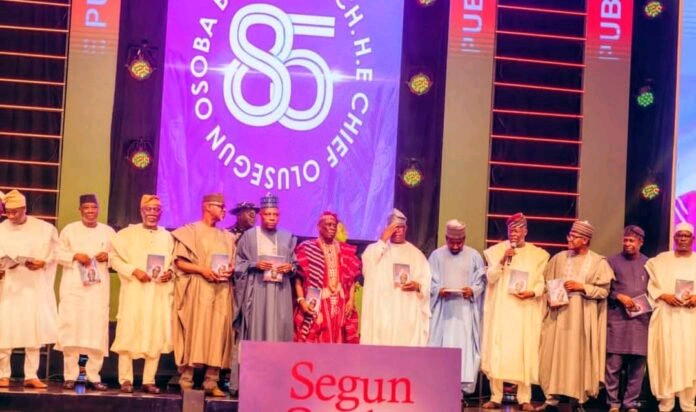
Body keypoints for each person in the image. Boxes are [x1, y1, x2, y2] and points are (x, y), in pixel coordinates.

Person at [538, 220, 613, 411]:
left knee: (578, 356)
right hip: (558, 315)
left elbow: (604, 291)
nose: (569, 240)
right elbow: (547, 283)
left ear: (585, 240)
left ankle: (578, 399)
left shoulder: (598, 262)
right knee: (553, 355)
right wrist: (550, 297)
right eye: (569, 236)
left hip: (582, 317)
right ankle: (551, 399)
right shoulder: (559, 258)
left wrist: (582, 287)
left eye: (574, 237)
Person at [480, 213, 549, 411]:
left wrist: (532, 292)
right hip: (502, 309)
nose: (514, 233)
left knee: (523, 351)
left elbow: (541, 283)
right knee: (498, 350)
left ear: (525, 231)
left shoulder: (538, 255)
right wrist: (503, 260)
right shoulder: (496, 251)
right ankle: (496, 396)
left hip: (524, 310)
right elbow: (491, 278)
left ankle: (524, 398)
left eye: (518, 229)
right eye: (511, 230)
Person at [172, 193, 236, 396]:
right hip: (198, 289)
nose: (224, 210)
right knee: (195, 331)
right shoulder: (190, 232)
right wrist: (202, 270)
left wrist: (230, 270)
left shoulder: (228, 237)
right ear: (207, 207)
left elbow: (232, 262)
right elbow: (179, 262)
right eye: (220, 206)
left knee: (218, 333)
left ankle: (211, 381)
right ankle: (187, 379)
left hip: (221, 289)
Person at [110, 195, 175, 394]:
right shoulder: (127, 234)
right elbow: (113, 258)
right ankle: (125, 379)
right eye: (148, 209)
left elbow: (174, 261)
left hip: (157, 293)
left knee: (155, 333)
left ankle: (149, 380)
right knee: (128, 332)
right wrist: (133, 271)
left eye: (156, 209)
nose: (152, 213)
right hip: (135, 291)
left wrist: (170, 273)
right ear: (141, 211)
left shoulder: (167, 236)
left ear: (161, 213)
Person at [0, 190, 59, 389]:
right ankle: (3, 374)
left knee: (34, 331)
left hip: (33, 286)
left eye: (15, 212)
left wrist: (44, 262)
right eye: (8, 212)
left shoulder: (43, 229)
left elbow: (55, 253)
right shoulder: (1, 229)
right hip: (9, 287)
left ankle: (31, 375)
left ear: (24, 209)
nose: (11, 216)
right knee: (5, 331)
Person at [55, 194, 114, 391]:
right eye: (86, 207)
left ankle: (93, 376)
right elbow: (57, 253)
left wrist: (108, 256)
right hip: (74, 289)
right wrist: (75, 255)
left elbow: (118, 256)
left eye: (93, 207)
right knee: (71, 331)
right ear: (80, 210)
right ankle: (70, 376)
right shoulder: (69, 230)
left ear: (98, 209)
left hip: (97, 290)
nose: (90, 211)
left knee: (96, 332)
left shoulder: (108, 232)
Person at [428, 219, 486, 398]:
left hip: (465, 312)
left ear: (464, 239)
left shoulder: (474, 256)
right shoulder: (436, 256)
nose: (455, 246)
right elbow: (428, 280)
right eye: (451, 242)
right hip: (443, 311)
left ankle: (460, 389)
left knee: (463, 347)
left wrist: (472, 290)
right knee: (442, 346)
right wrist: (438, 290)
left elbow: (481, 282)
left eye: (459, 242)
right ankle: (439, 386)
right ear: (446, 238)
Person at [360, 209, 431, 346]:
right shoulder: (377, 250)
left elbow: (425, 281)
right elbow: (367, 267)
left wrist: (418, 286)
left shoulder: (416, 254)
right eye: (393, 228)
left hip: (406, 311)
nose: (397, 231)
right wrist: (382, 240)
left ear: (406, 228)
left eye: (400, 227)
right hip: (383, 312)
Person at [646, 222, 696, 412]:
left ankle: (688, 403)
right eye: (679, 235)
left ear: (692, 239)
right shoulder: (661, 260)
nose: (682, 239)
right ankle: (666, 403)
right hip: (667, 316)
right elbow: (652, 286)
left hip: (690, 318)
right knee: (666, 356)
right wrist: (663, 295)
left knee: (689, 357)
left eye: (686, 236)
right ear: (674, 238)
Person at [235, 193, 298, 342]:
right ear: (261, 215)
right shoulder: (249, 236)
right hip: (257, 289)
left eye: (275, 215)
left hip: (281, 290)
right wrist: (254, 264)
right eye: (268, 214)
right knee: (258, 326)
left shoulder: (287, 237)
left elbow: (295, 264)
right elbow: (238, 263)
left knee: (279, 327)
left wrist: (290, 267)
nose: (272, 218)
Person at [293, 212, 361, 344]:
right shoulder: (308, 248)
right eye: (328, 225)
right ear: (319, 227)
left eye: (334, 225)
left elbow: (351, 278)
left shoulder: (345, 250)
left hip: (340, 300)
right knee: (317, 337)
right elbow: (299, 277)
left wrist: (351, 300)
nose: (332, 228)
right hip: (318, 301)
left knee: (340, 335)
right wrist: (301, 300)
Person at [605, 225, 650, 412]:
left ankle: (630, 403)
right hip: (618, 320)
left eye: (631, 240)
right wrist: (618, 296)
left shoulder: (649, 264)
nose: (627, 243)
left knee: (637, 367)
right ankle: (613, 403)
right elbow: (603, 288)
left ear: (641, 242)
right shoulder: (611, 261)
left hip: (641, 322)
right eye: (625, 240)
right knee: (613, 366)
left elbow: (655, 289)